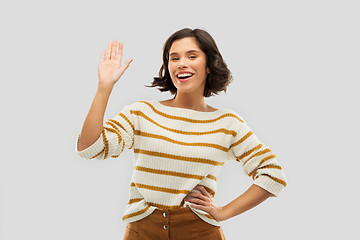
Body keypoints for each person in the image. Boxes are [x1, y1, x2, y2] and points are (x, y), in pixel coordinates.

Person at [75, 28, 287, 240]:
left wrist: (223, 212)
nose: (181, 63)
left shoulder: (228, 124)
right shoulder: (141, 113)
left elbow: (272, 174)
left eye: (192, 56)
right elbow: (90, 149)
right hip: (142, 231)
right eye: (173, 58)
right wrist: (104, 87)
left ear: (209, 65)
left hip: (200, 232)